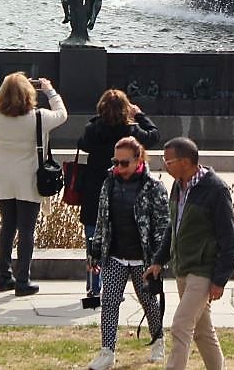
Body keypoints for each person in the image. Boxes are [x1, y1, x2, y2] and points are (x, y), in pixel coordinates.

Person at [147, 136, 234, 370]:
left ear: (186, 161)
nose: (164, 165)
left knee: (181, 325)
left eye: (169, 161)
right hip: (183, 269)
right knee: (202, 331)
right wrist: (159, 260)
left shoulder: (216, 189)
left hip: (203, 270)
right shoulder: (179, 185)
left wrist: (219, 280)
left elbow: (230, 240)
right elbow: (172, 227)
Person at [86, 137, 168, 369]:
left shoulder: (154, 186)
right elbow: (102, 220)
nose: (118, 167)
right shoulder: (109, 183)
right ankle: (107, 350)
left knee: (149, 301)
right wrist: (94, 252)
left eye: (124, 163)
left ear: (138, 159)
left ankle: (158, 339)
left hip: (144, 257)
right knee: (109, 301)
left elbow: (163, 226)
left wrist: (159, 260)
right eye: (115, 162)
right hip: (115, 255)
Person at [79, 91, 163, 306]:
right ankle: (111, 287)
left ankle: (93, 288)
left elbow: (83, 143)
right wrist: (140, 114)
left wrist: (97, 119)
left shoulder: (93, 129)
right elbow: (154, 135)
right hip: (122, 195)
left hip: (94, 193)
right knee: (116, 241)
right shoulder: (132, 131)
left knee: (93, 239)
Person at [0, 73, 67, 295]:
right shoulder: (39, 118)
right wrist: (49, 89)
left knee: (7, 226)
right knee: (26, 230)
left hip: (3, 175)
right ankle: (23, 280)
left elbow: (1, 104)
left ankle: (4, 276)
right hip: (28, 177)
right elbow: (62, 113)